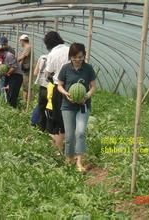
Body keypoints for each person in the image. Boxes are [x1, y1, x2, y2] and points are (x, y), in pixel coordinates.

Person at [57, 43, 96, 172]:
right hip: (67, 106)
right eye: (74, 58)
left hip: (83, 105)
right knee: (69, 136)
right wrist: (66, 93)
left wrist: (87, 95)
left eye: (80, 57)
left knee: (80, 133)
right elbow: (59, 85)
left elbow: (93, 87)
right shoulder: (65, 68)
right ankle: (69, 158)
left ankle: (79, 162)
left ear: (84, 55)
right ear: (70, 57)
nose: (77, 60)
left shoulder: (88, 68)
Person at [43, 31, 69, 151]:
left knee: (59, 122)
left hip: (59, 89)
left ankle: (59, 151)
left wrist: (51, 76)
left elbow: (48, 73)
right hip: (74, 89)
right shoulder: (70, 50)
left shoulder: (52, 54)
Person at [33, 54, 48, 131]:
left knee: (41, 106)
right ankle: (49, 128)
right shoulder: (63, 56)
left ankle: (36, 123)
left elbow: (35, 73)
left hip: (43, 86)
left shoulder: (43, 57)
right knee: (51, 108)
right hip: (54, 87)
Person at [18, 34, 31, 102]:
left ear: (22, 41)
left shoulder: (28, 47)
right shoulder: (25, 48)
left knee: (26, 87)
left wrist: (16, 60)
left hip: (27, 70)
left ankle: (26, 102)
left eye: (20, 41)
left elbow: (23, 57)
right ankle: (25, 101)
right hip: (25, 69)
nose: (20, 43)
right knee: (25, 86)